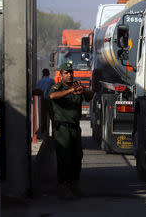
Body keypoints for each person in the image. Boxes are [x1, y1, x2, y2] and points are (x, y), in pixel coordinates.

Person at [49, 62, 94, 199]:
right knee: (64, 157)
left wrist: (83, 91)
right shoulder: (58, 87)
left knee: (76, 156)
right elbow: (52, 96)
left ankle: (74, 185)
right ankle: (63, 187)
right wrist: (69, 91)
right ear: (61, 75)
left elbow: (90, 95)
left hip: (75, 127)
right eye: (66, 73)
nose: (69, 75)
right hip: (62, 128)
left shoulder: (77, 86)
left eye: (71, 73)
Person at [36, 68, 55, 134]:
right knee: (52, 116)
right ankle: (54, 132)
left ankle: (44, 131)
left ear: (43, 74)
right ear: (48, 73)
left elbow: (37, 90)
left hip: (42, 101)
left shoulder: (39, 81)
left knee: (43, 116)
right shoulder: (51, 81)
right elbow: (55, 89)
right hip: (50, 100)